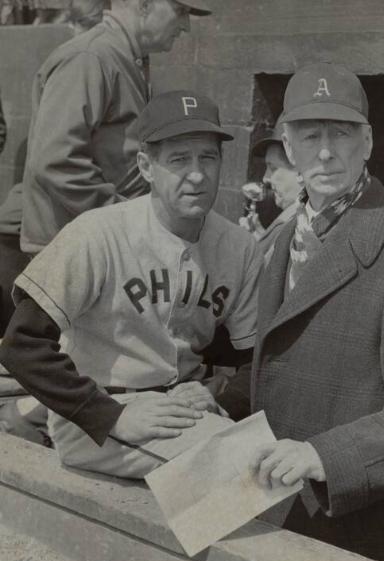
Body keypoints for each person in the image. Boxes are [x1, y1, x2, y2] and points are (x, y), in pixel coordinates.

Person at [218, 62, 384, 561]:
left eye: (341, 133)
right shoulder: (281, 240)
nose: (324, 151)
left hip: (367, 533)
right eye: (309, 134)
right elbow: (283, 367)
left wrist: (327, 457)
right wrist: (214, 398)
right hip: (283, 513)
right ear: (288, 147)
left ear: (368, 143)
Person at [0, 91, 262, 478]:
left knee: (276, 462)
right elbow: (21, 346)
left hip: (181, 407)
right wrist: (110, 415)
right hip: (100, 414)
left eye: (208, 157)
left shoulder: (239, 246)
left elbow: (256, 359)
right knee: (239, 468)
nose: (196, 174)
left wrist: (216, 395)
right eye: (178, 159)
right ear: (146, 166)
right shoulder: (97, 233)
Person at [20, 0, 212, 254]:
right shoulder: (90, 57)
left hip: (98, 241)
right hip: (71, 247)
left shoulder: (125, 56)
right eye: (180, 11)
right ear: (143, 5)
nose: (186, 26)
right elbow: (56, 161)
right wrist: (123, 216)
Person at [246, 117, 302, 255]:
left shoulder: (302, 223)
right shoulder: (293, 217)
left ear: (300, 168)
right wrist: (260, 239)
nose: (266, 178)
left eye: (273, 168)